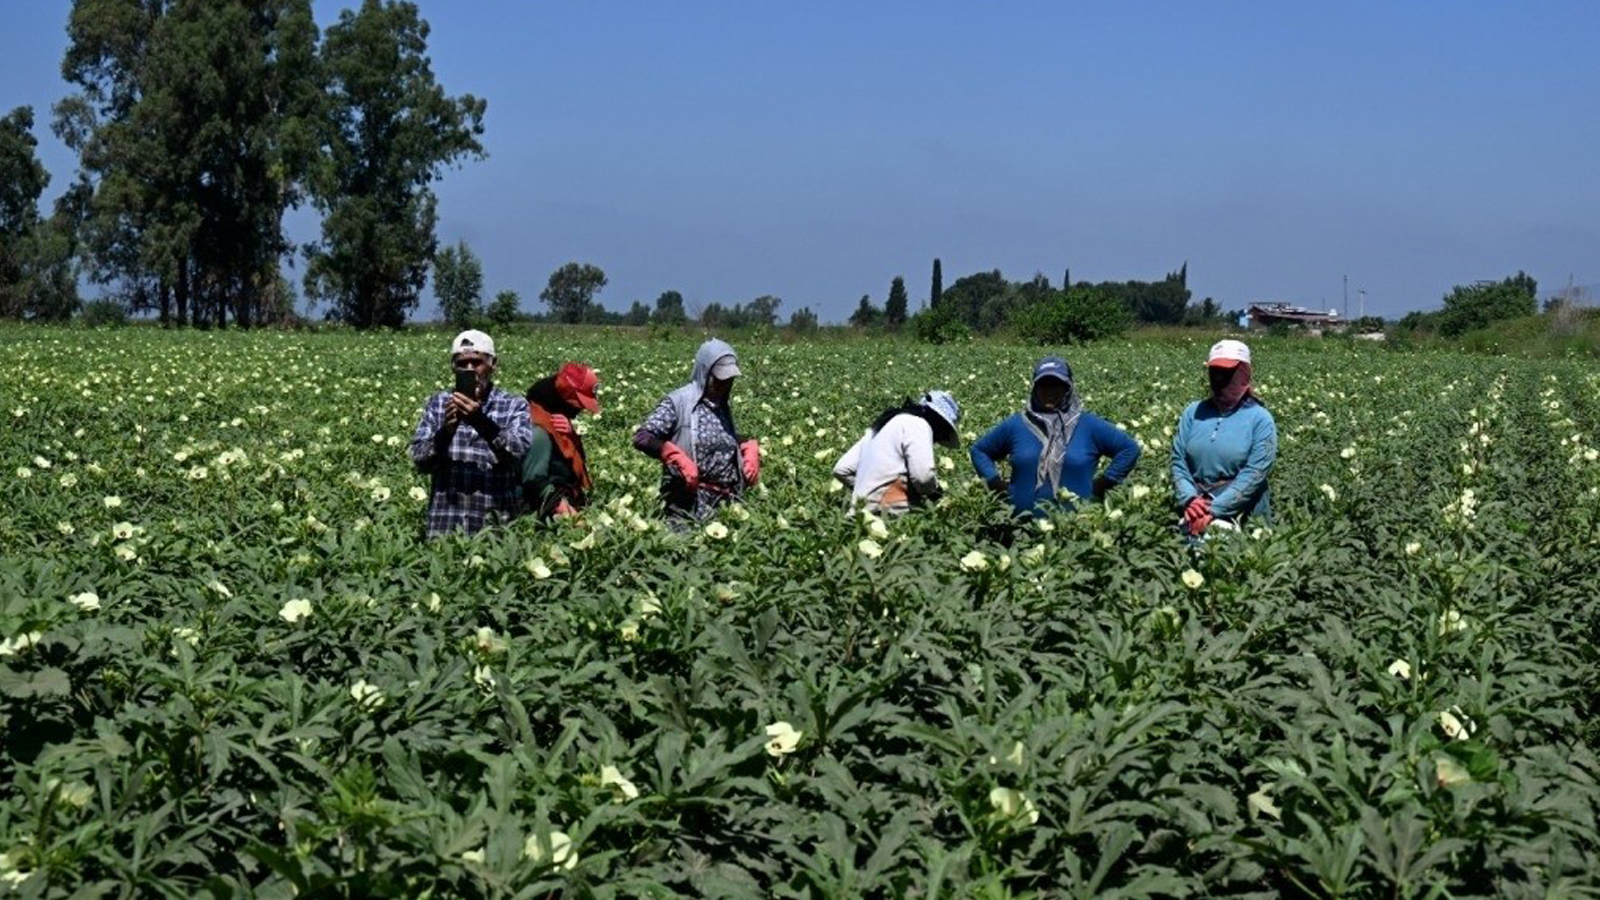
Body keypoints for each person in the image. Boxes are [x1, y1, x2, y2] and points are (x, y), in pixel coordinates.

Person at [970, 356, 1140, 517]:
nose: (1049, 391)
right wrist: (995, 484)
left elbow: (1129, 449)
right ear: (1035, 388)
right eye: (1043, 385)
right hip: (1019, 527)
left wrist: (1101, 485)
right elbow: (979, 450)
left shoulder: (1088, 425)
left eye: (1057, 385)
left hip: (1076, 530)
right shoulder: (1017, 425)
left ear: (1068, 388)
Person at [407, 330, 533, 538]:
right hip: (444, 527)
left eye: (477, 362)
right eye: (461, 363)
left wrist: (480, 421)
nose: (469, 369)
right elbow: (420, 461)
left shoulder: (513, 405)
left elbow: (517, 454)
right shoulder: (438, 404)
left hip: (495, 531)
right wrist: (446, 432)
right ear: (452, 367)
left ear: (493, 364)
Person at [632, 338, 760, 523]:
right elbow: (642, 437)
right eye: (719, 379)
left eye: (729, 380)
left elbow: (719, 436)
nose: (725, 385)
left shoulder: (721, 405)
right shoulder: (678, 402)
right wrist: (674, 456)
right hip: (687, 505)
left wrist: (747, 445)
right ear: (704, 373)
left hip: (726, 506)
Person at [1171, 339, 1277, 536]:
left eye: (1228, 374)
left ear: (1244, 374)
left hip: (1243, 512)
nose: (1220, 380)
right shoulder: (1193, 412)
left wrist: (1214, 509)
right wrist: (1190, 500)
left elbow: (1255, 473)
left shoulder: (1260, 419)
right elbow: (1179, 461)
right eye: (1216, 373)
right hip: (1194, 509)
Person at [832, 390, 961, 515]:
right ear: (939, 422)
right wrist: (934, 492)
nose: (937, 440)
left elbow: (841, 469)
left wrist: (869, 491)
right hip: (890, 516)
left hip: (857, 516)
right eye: (943, 433)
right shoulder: (918, 424)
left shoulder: (880, 426)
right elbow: (923, 477)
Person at [522, 362, 600, 520]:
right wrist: (565, 511)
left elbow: (574, 462)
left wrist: (572, 436)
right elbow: (535, 482)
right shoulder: (536, 427)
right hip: (549, 513)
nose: (581, 409)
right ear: (566, 396)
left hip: (567, 504)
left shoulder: (556, 416)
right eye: (578, 402)